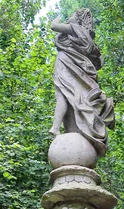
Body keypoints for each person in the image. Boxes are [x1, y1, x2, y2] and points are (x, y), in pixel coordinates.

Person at [49, 9, 114, 155]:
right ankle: (62, 127)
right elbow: (99, 60)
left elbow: (54, 25)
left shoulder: (74, 29)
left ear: (78, 19)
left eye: (71, 15)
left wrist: (59, 18)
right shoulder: (85, 36)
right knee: (73, 98)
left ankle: (55, 127)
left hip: (65, 65)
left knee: (63, 95)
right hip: (76, 69)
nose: (69, 17)